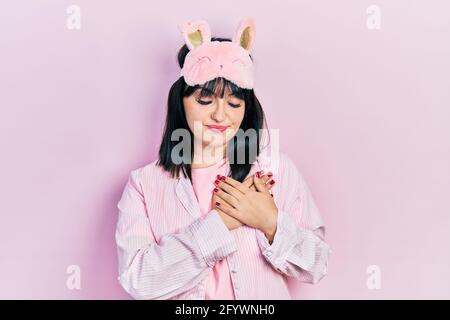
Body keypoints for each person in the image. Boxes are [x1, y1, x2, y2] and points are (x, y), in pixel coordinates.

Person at [115, 18, 330, 300]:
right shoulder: (145, 184)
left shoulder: (275, 169)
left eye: (234, 103)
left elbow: (317, 264)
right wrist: (218, 225)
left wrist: (270, 221)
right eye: (205, 101)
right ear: (181, 101)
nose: (220, 115)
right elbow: (139, 280)